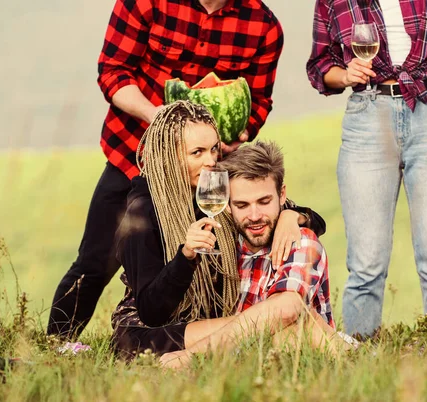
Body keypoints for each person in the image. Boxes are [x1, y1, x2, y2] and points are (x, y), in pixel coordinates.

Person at [47, 0, 284, 338]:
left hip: (206, 171)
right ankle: (57, 345)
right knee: (94, 263)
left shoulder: (263, 25)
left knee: (211, 261)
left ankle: (211, 332)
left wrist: (228, 140)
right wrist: (155, 116)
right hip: (132, 153)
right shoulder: (146, 2)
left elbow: (258, 101)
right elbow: (113, 72)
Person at [111, 101, 327, 359]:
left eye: (214, 149)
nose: (211, 161)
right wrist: (186, 258)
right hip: (150, 330)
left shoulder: (213, 186)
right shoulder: (143, 211)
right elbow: (152, 312)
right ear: (169, 154)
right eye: (197, 152)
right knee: (269, 325)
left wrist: (294, 216)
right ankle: (342, 348)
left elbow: (305, 218)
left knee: (264, 326)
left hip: (206, 318)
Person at [306, 0, 427, 337]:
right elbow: (320, 64)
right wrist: (345, 74)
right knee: (366, 264)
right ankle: (360, 360)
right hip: (368, 115)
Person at [159, 141, 356, 369]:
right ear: (227, 204)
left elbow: (288, 307)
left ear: (282, 195)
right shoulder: (224, 244)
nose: (254, 216)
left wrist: (193, 356)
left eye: (264, 202)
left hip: (316, 359)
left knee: (290, 327)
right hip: (254, 361)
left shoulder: (299, 239)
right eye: (242, 205)